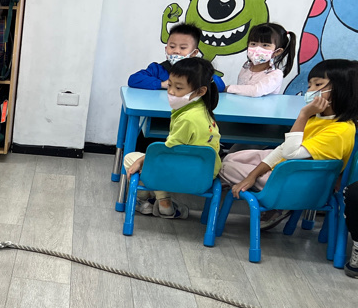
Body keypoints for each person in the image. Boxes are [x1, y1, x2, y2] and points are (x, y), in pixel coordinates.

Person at [223, 59, 358, 231]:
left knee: (225, 167)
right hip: (290, 168)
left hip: (297, 184)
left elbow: (290, 153)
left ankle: (280, 204)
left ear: (342, 89)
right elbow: (283, 150)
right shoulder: (318, 118)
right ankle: (270, 198)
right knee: (231, 158)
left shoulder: (339, 130)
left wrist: (303, 115)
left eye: (318, 85)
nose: (310, 91)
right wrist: (253, 175)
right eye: (309, 85)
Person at [125, 57, 222, 219]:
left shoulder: (187, 118)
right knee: (148, 161)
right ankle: (154, 200)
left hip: (185, 175)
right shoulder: (203, 110)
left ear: (200, 91)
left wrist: (141, 160)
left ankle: (158, 201)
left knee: (131, 159)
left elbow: (167, 152)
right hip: (206, 174)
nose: (171, 91)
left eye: (178, 88)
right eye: (169, 85)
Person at [129, 22, 227, 92]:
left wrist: (201, 79)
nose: (176, 51)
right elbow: (133, 79)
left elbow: (220, 86)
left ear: (194, 53)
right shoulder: (158, 69)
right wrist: (162, 84)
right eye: (172, 47)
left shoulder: (199, 71)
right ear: (166, 48)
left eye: (183, 48)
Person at [225, 22, 296, 97]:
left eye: (265, 45)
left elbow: (256, 91)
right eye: (253, 44)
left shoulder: (275, 74)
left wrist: (228, 88)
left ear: (277, 51)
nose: (257, 48)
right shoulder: (246, 67)